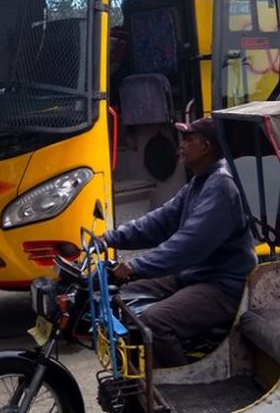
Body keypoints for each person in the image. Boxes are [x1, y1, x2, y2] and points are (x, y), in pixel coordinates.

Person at [101, 117, 255, 366]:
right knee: (122, 298)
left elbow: (188, 244)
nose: (181, 146)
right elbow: (159, 221)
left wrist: (136, 266)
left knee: (154, 322)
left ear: (205, 146)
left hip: (221, 285)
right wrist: (110, 238)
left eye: (188, 140)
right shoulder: (199, 181)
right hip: (193, 275)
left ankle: (177, 388)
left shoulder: (222, 187)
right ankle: (137, 377)